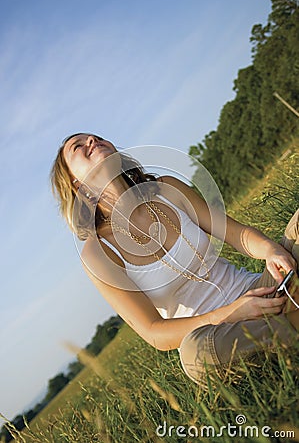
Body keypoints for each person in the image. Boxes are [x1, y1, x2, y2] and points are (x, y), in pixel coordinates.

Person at [50, 133, 299, 386]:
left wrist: (270, 250)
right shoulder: (97, 253)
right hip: (217, 333)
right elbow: (154, 332)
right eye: (78, 147)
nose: (92, 141)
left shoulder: (168, 189)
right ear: (77, 185)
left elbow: (235, 234)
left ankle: (285, 325)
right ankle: (288, 321)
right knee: (195, 355)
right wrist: (231, 313)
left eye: (96, 137)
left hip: (262, 292)